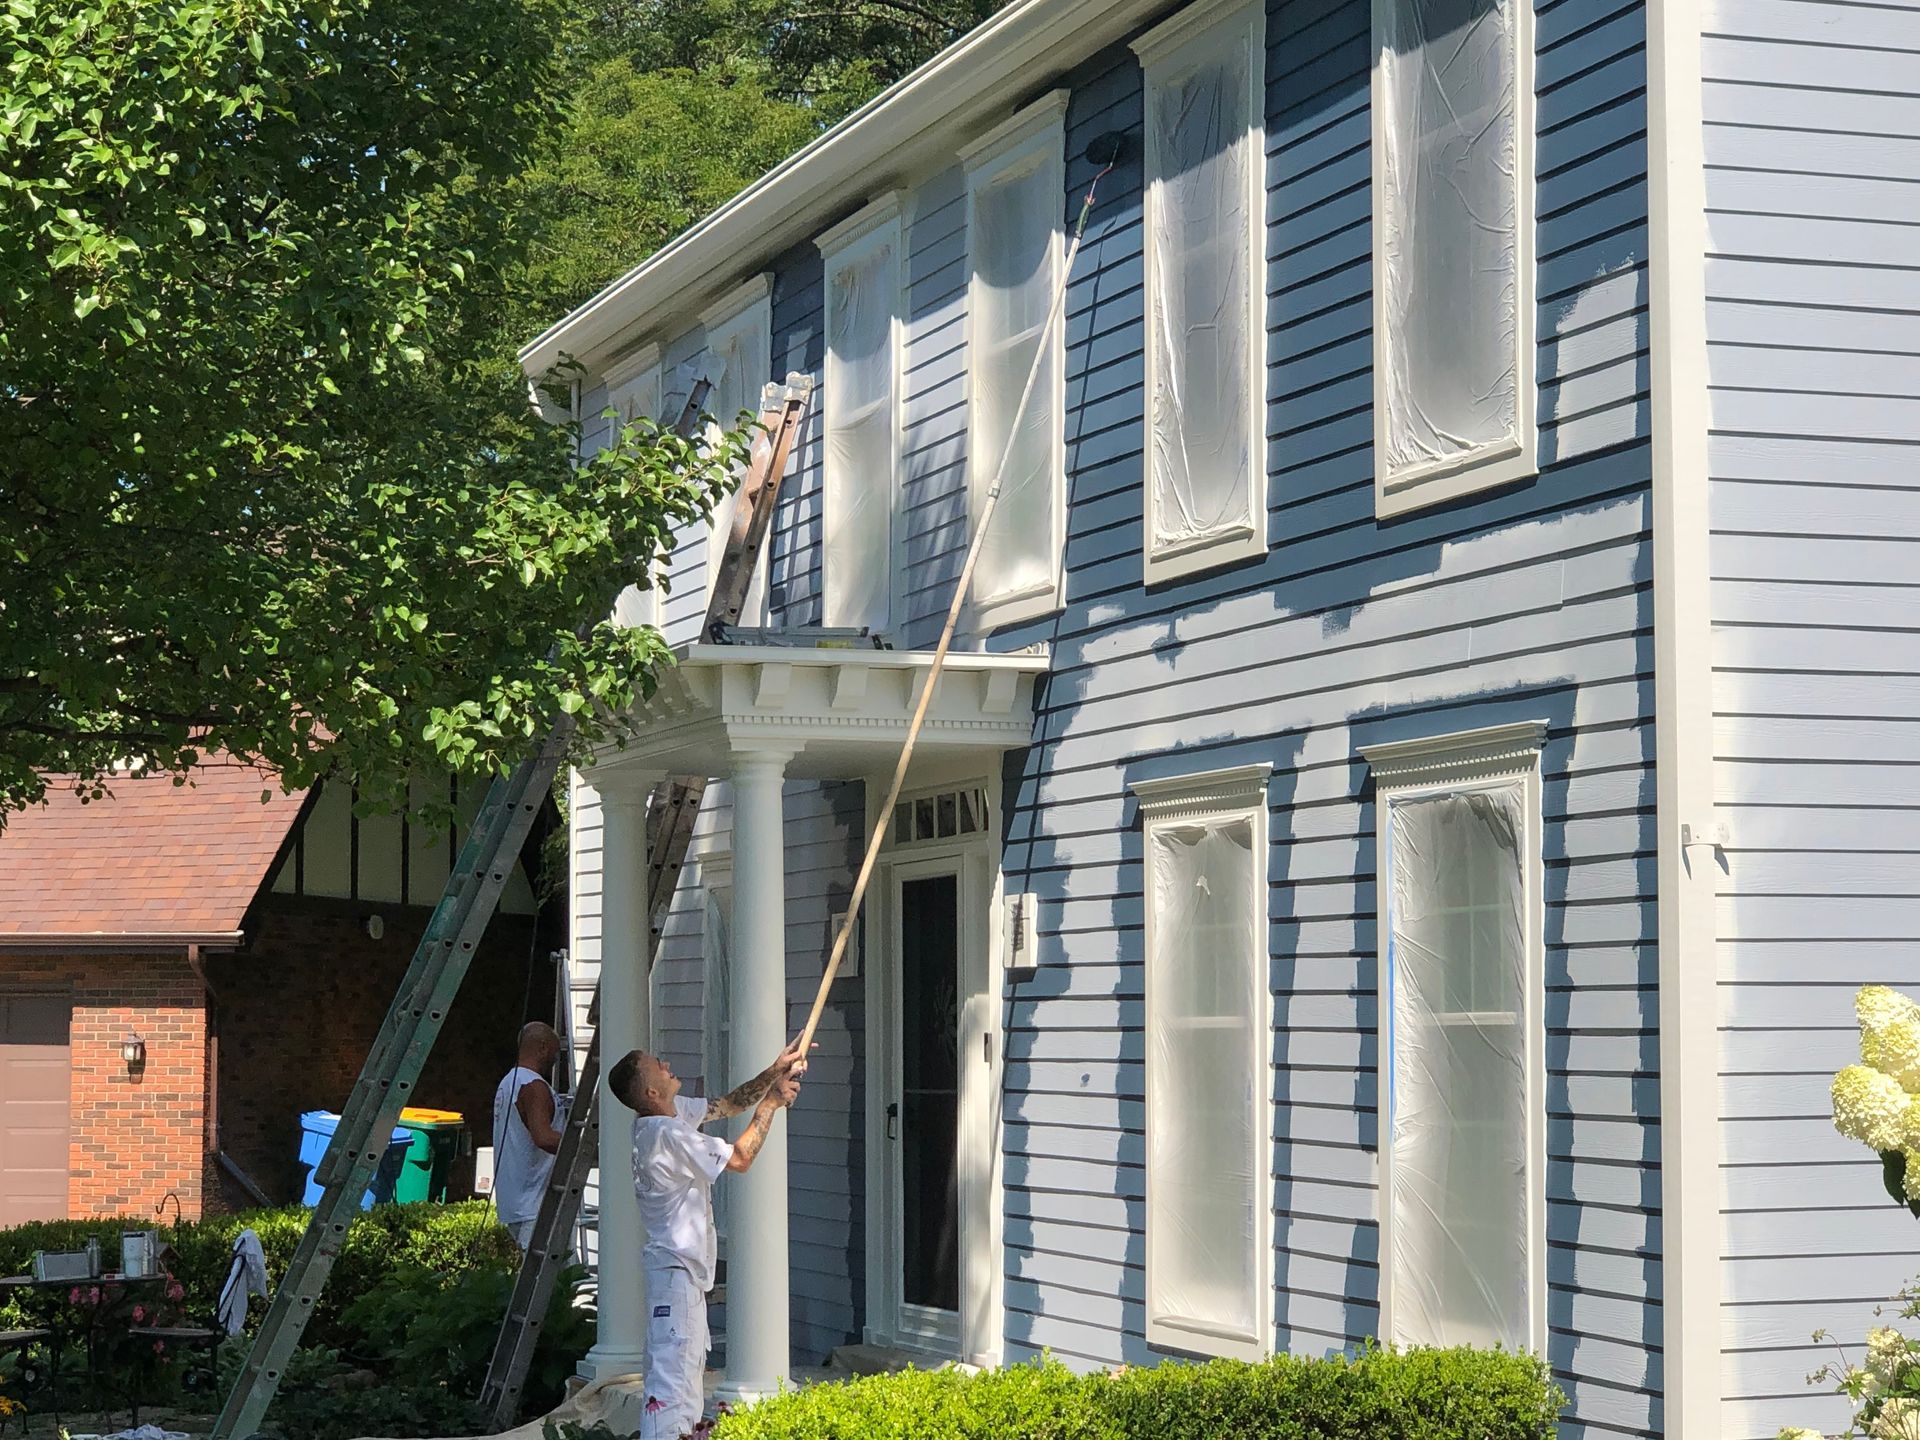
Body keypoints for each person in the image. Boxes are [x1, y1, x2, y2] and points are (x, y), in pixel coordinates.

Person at [606, 1038, 809, 1440]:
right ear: (650, 1092)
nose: (667, 1063)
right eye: (657, 1066)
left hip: (678, 1275)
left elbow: (729, 1104)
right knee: (672, 1389)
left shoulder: (664, 1118)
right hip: (677, 1276)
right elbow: (740, 1159)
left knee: (683, 1383)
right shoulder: (667, 1134)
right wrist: (770, 1105)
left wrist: (774, 1071)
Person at [492, 1021, 565, 1248]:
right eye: (555, 1050)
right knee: (556, 1279)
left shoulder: (509, 1082)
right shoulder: (534, 1086)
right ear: (542, 1047)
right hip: (536, 1206)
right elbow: (543, 1137)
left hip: (517, 1203)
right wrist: (588, 1149)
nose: (556, 1057)